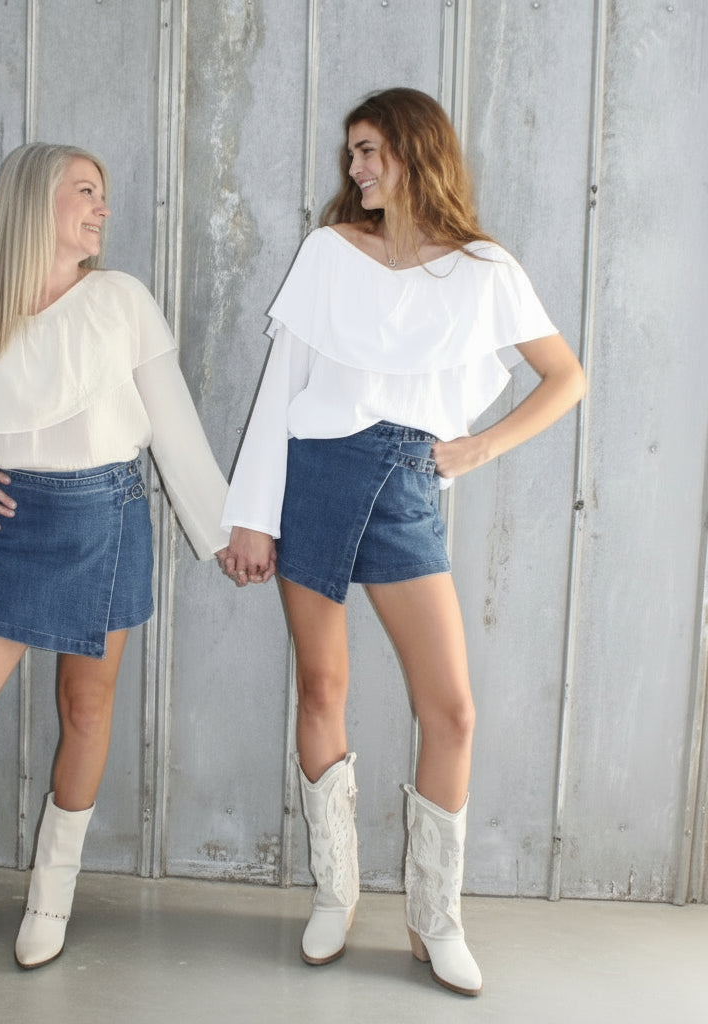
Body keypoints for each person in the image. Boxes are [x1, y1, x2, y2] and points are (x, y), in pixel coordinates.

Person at [218, 87, 585, 996]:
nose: (356, 169)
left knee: (451, 707)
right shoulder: (326, 253)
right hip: (318, 474)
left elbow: (565, 376)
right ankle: (335, 895)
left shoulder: (485, 269)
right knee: (323, 684)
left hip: (411, 484)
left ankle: (434, 917)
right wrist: (250, 516)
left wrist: (480, 447)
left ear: (419, 151)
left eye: (371, 150)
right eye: (351, 154)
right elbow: (281, 390)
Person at [0, 143, 230, 967]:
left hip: (106, 514)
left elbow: (172, 422)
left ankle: (50, 900)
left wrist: (225, 532)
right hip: (14, 523)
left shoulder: (120, 299)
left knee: (85, 711)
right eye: (85, 191)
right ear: (33, 203)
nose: (102, 208)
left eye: (105, 193)